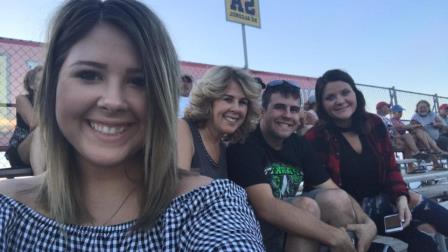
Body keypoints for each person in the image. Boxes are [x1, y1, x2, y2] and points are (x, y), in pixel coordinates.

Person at [0, 1, 264, 250]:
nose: (113, 101)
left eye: (139, 81)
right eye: (89, 75)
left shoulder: (209, 205)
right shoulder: (7, 209)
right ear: (53, 86)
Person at [305, 69, 448, 252]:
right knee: (418, 242)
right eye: (330, 97)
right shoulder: (315, 137)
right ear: (322, 104)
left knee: (430, 234)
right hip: (352, 217)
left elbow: (391, 167)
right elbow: (322, 191)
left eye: (345, 92)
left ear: (355, 94)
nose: (340, 100)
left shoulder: (373, 123)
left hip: (385, 202)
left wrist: (402, 197)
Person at [228, 80, 377, 252]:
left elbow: (332, 189)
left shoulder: (299, 144)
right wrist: (333, 236)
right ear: (263, 111)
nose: (287, 115)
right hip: (253, 232)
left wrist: (367, 222)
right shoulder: (244, 144)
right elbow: (265, 207)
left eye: (294, 109)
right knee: (306, 206)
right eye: (279, 107)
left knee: (336, 198)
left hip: (291, 227)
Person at [177, 66, 261, 179]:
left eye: (243, 102)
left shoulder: (224, 146)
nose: (236, 108)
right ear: (208, 100)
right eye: (227, 99)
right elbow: (176, 190)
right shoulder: (183, 129)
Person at [4, 66, 45, 174]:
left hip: (46, 151)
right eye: (42, 80)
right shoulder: (22, 99)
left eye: (48, 79)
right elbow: (34, 123)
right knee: (39, 132)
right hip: (21, 151)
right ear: (32, 85)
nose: (47, 83)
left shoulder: (54, 102)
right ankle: (39, 181)